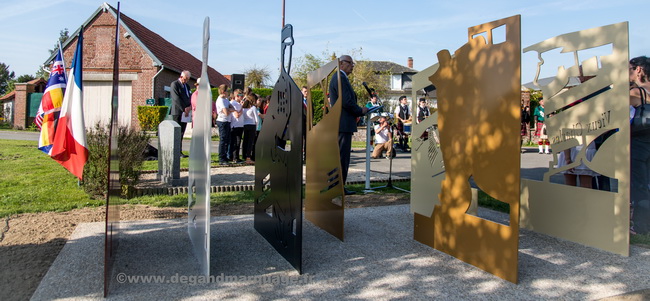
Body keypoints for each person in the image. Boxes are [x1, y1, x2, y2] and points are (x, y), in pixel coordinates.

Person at [329, 55, 368, 195]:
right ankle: (337, 188)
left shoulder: (341, 77)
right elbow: (346, 101)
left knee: (341, 157)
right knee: (341, 157)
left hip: (342, 123)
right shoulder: (340, 78)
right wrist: (360, 110)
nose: (352, 66)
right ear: (341, 63)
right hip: (342, 124)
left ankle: (337, 186)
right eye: (350, 63)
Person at [629, 56, 650, 235]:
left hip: (640, 143)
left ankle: (641, 226)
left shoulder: (636, 93)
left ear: (638, 70)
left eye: (629, 68)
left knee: (639, 185)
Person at [170, 70, 191, 157]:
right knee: (177, 132)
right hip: (178, 112)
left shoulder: (187, 86)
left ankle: (180, 151)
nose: (186, 81)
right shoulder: (175, 84)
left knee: (182, 132)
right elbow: (176, 98)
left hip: (186, 112)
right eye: (185, 79)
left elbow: (189, 97)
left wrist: (189, 107)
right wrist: (184, 109)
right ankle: (176, 151)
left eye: (187, 79)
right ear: (181, 76)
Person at [215, 84, 233, 165]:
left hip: (227, 121)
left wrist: (229, 110)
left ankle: (225, 156)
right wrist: (229, 110)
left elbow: (233, 108)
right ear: (223, 91)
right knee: (222, 140)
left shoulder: (226, 100)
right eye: (227, 91)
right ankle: (221, 158)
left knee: (227, 140)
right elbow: (226, 113)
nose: (228, 93)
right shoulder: (220, 100)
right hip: (222, 121)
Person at [229, 89, 245, 163]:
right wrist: (242, 108)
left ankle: (236, 156)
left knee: (238, 142)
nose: (242, 97)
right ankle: (235, 157)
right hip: (235, 125)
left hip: (240, 125)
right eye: (241, 96)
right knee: (236, 142)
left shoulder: (238, 104)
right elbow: (237, 115)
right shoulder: (233, 104)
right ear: (237, 96)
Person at [242, 94, 258, 164]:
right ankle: (248, 157)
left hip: (245, 125)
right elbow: (256, 119)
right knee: (250, 142)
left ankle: (244, 155)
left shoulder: (244, 108)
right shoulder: (253, 108)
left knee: (245, 141)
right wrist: (256, 127)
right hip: (252, 125)